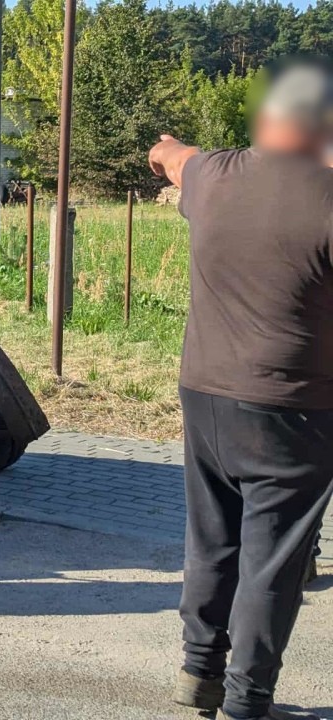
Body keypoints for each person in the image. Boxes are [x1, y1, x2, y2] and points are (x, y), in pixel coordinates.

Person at [149, 58, 333, 720]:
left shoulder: (217, 176)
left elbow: (175, 157)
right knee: (271, 561)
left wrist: (163, 150)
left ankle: (197, 678)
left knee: (212, 540)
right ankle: (246, 701)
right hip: (296, 410)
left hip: (204, 394)